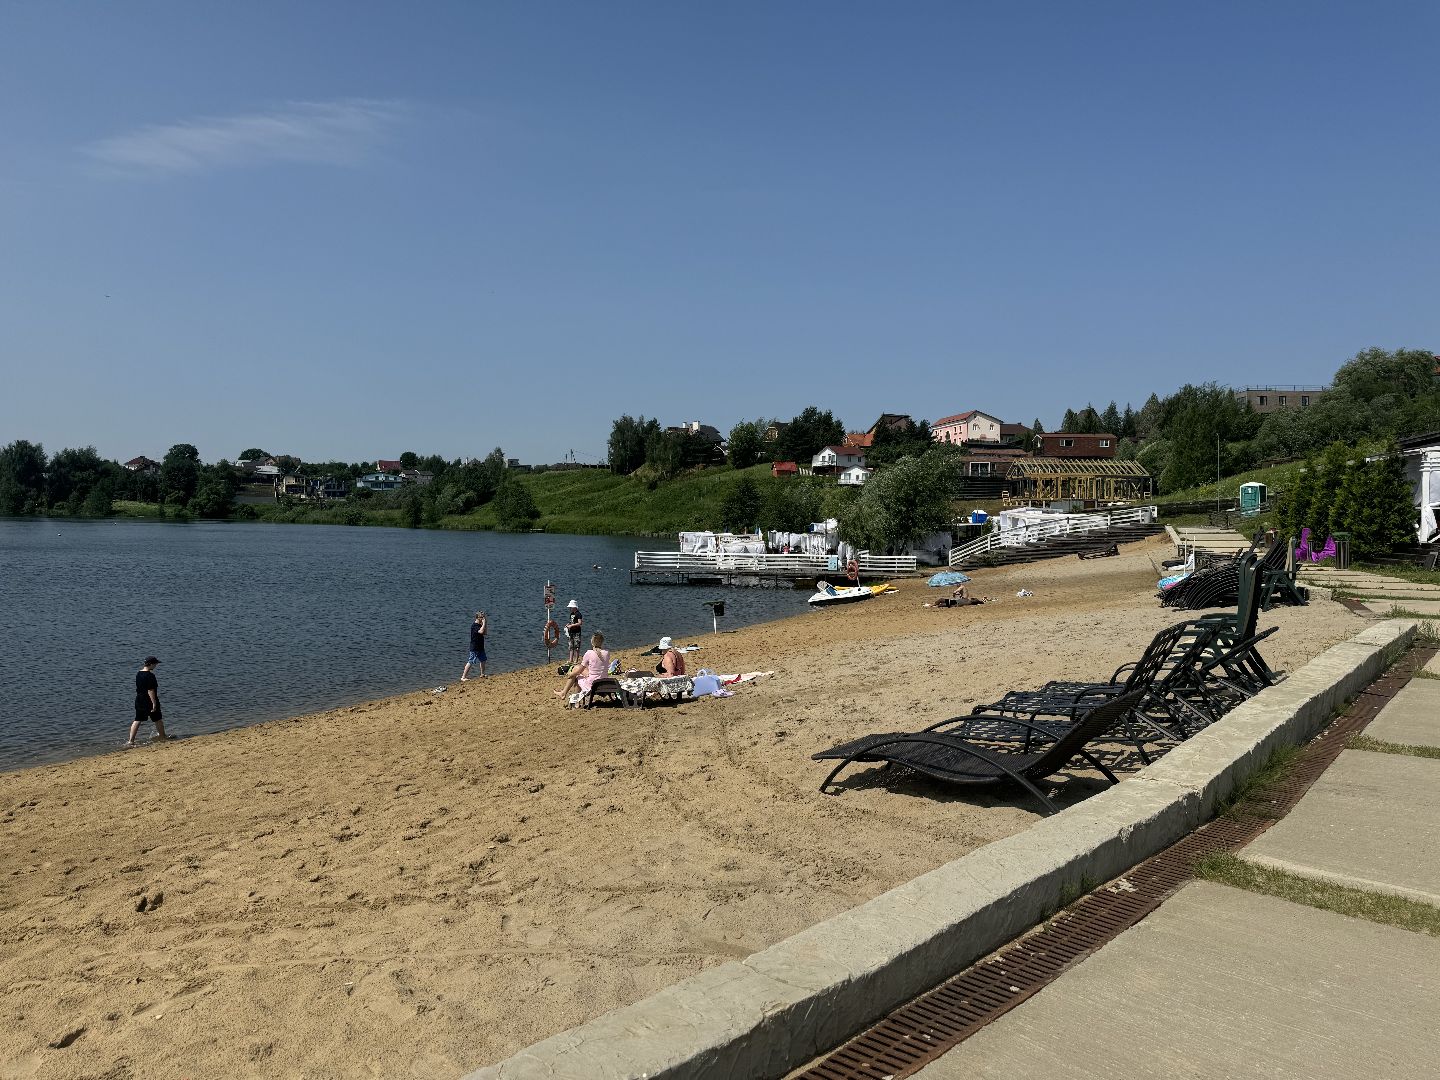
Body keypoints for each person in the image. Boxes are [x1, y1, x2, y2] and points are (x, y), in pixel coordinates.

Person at [555, 632, 611, 699]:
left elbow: (580, 670)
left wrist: (571, 674)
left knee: (576, 676)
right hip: (604, 683)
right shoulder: (607, 652)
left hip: (592, 684)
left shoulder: (589, 653)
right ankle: (564, 693)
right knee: (577, 668)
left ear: (592, 642)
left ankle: (570, 697)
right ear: (602, 642)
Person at [127, 656, 168, 747]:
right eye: (155, 664)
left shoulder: (139, 673)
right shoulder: (150, 675)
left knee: (137, 719)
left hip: (139, 699)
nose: (156, 665)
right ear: (151, 664)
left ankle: (131, 741)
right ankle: (163, 736)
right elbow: (150, 690)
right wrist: (154, 703)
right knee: (158, 719)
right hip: (149, 700)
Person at [461, 611, 487, 681]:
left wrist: (485, 624)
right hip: (475, 647)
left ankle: (482, 674)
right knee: (471, 661)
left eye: (483, 617)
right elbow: (481, 631)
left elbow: (485, 633)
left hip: (480, 646)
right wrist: (484, 623)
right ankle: (463, 677)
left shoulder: (480, 625)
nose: (483, 619)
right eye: (482, 617)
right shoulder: (474, 626)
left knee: (483, 660)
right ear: (477, 617)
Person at [564, 600, 583, 664]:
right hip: (571, 632)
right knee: (571, 646)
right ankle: (571, 660)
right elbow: (571, 621)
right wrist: (568, 624)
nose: (570, 608)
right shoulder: (571, 614)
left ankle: (576, 660)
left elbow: (580, 623)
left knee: (577, 646)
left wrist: (572, 625)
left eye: (571, 607)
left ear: (574, 607)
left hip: (577, 632)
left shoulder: (578, 614)